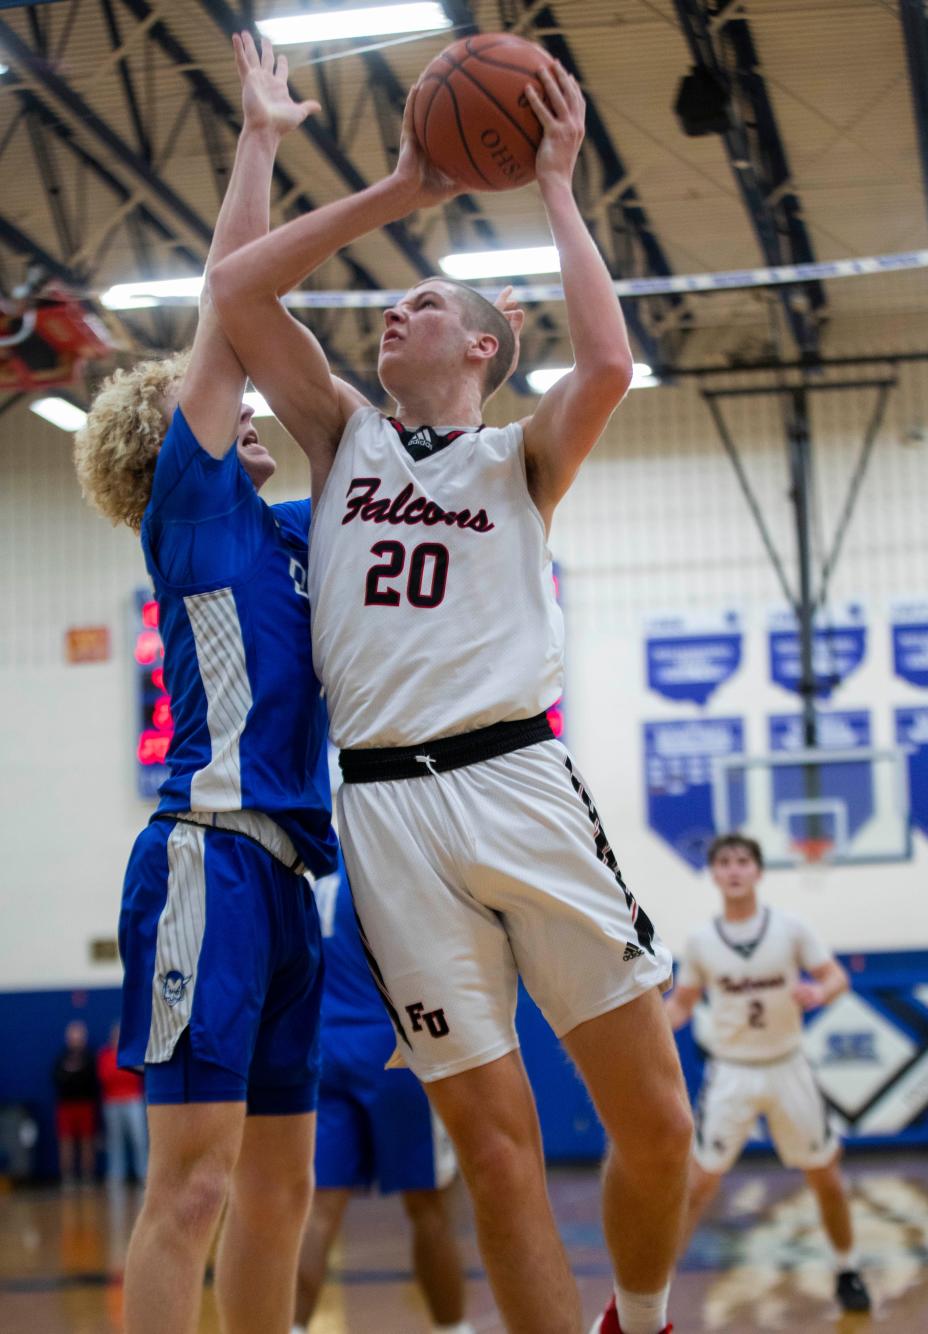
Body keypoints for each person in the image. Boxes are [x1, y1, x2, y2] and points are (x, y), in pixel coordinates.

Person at [209, 52, 691, 1334]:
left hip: (519, 781)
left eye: (421, 302)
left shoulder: (516, 456)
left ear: (482, 343)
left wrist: (555, 187)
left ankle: (635, 1318)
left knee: (660, 1127)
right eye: (390, 306)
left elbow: (603, 366)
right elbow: (236, 289)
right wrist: (398, 189)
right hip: (386, 817)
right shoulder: (340, 432)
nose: (391, 314)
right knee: (493, 1149)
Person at [73, 35, 335, 1334]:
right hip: (206, 861)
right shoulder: (191, 513)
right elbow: (234, 308)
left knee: (281, 1192)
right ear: (175, 431)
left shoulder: (284, 542)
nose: (235, 402)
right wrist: (259, 142)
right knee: (193, 1194)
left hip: (290, 880)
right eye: (208, 398)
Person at [664, 833, 871, 1314]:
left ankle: (848, 1267)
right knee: (697, 1185)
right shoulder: (699, 940)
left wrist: (822, 993)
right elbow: (681, 1007)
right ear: (714, 875)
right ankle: (656, 1287)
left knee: (826, 1176)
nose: (734, 870)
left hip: (787, 1065)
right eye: (724, 863)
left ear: (758, 872)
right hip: (732, 1072)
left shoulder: (791, 928)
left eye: (742, 861)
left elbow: (836, 976)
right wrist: (645, 1026)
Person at [292, 857, 474, 1334]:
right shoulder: (384, 866)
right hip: (392, 1050)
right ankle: (452, 1328)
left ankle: (290, 1326)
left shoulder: (309, 878)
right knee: (428, 1207)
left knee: (316, 1211)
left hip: (322, 1049)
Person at [97, 1023, 149, 1188]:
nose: (117, 1037)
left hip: (133, 1100)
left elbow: (137, 1075)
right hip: (112, 1102)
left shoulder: (133, 1052)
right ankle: (116, 1174)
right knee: (115, 1141)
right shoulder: (104, 1055)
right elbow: (105, 1076)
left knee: (139, 1138)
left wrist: (122, 1077)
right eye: (115, 1034)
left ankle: (144, 1173)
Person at [53, 1019, 99, 1188]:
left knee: (87, 1142)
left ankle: (87, 1176)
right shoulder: (61, 1058)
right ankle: (68, 1177)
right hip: (65, 1107)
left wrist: (75, 1077)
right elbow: (58, 1079)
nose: (75, 1039)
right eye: (73, 1035)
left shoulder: (90, 1057)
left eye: (78, 1035)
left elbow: (92, 1081)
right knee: (66, 1143)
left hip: (86, 1105)